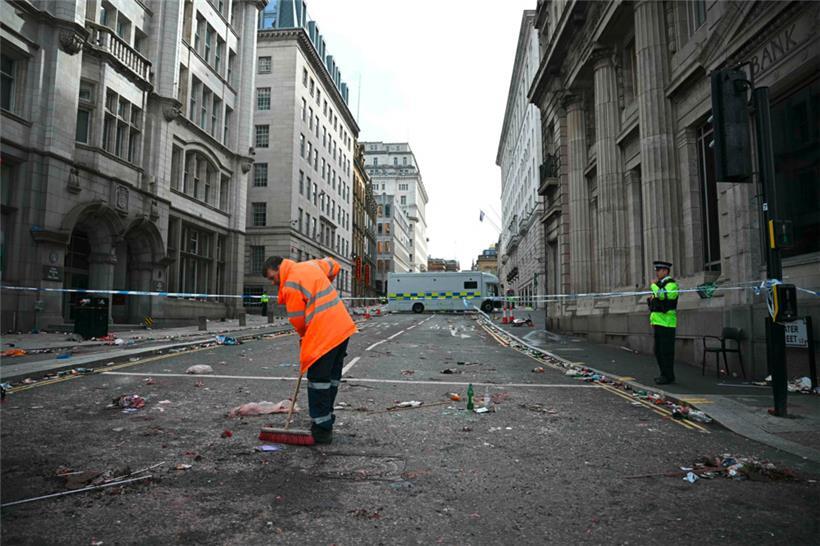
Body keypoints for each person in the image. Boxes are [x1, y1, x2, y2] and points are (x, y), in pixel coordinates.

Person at [262, 255, 357, 444]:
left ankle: (321, 430)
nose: (274, 282)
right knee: (331, 379)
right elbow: (334, 266)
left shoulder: (290, 284)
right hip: (343, 328)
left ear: (279, 268)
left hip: (324, 333)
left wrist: (306, 339)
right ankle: (327, 418)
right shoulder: (311, 266)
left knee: (318, 381)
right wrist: (321, 286)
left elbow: (298, 321)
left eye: (273, 278)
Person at [647, 260, 679, 385]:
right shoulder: (660, 284)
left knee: (666, 352)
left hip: (667, 323)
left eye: (659, 270)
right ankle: (663, 374)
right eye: (656, 270)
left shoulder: (671, 284)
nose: (657, 273)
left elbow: (662, 296)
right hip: (659, 322)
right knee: (658, 351)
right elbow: (656, 304)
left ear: (665, 271)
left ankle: (668, 376)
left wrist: (653, 286)